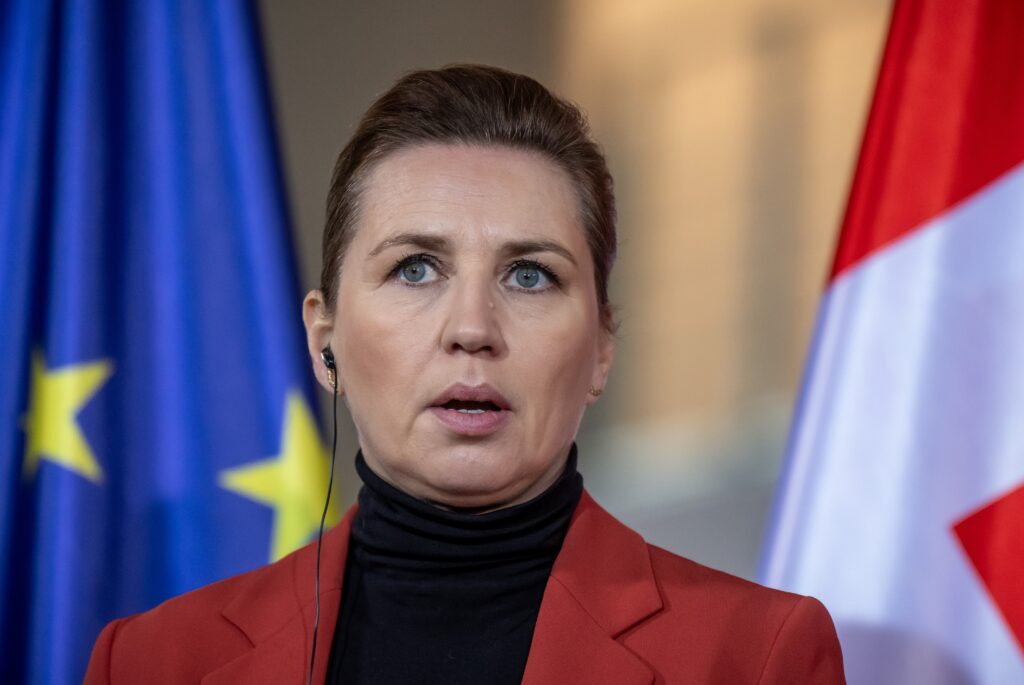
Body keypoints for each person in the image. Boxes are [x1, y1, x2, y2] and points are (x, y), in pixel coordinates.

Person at [85, 64, 845, 684]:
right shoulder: (152, 662)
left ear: (601, 351)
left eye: (530, 275)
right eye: (416, 268)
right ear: (325, 340)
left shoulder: (757, 655)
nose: (473, 329)